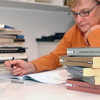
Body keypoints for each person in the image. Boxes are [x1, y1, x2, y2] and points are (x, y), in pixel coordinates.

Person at [5, 0, 100, 76]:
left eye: (85, 12)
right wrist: (30, 66)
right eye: (74, 13)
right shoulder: (75, 31)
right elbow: (55, 58)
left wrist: (94, 33)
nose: (79, 20)